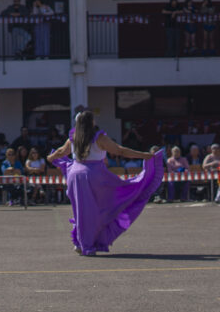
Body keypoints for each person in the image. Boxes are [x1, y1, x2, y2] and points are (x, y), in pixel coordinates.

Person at [47, 110, 164, 256]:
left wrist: (50, 157)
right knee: (105, 207)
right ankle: (87, 245)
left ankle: (81, 242)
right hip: (94, 175)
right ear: (91, 122)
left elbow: (61, 152)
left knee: (82, 210)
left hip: (75, 175)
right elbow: (120, 151)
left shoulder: (74, 136)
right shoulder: (99, 137)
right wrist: (144, 155)